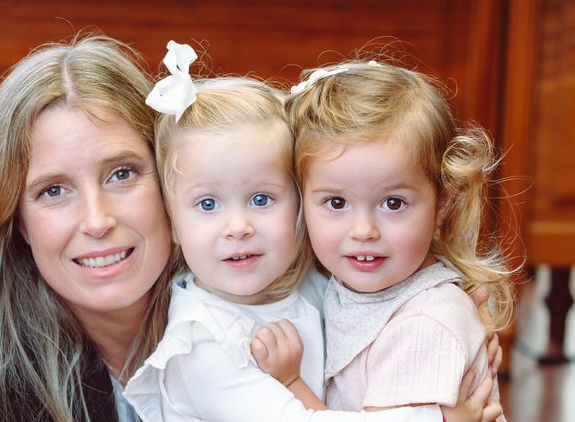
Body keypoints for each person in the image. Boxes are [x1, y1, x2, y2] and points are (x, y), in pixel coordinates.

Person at [123, 41, 500, 422]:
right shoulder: (201, 344)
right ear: (170, 222)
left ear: (299, 202)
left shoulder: (315, 284)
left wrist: (465, 331)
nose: (238, 227)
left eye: (261, 199)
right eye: (207, 205)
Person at [0, 35, 175, 421]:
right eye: (54, 191)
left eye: (122, 173)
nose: (97, 221)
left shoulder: (266, 322)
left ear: (172, 178)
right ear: (20, 223)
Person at [276, 59, 514, 419]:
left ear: (442, 203)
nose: (363, 231)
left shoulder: (424, 325)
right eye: (336, 202)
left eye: (393, 203)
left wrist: (293, 386)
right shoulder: (338, 284)